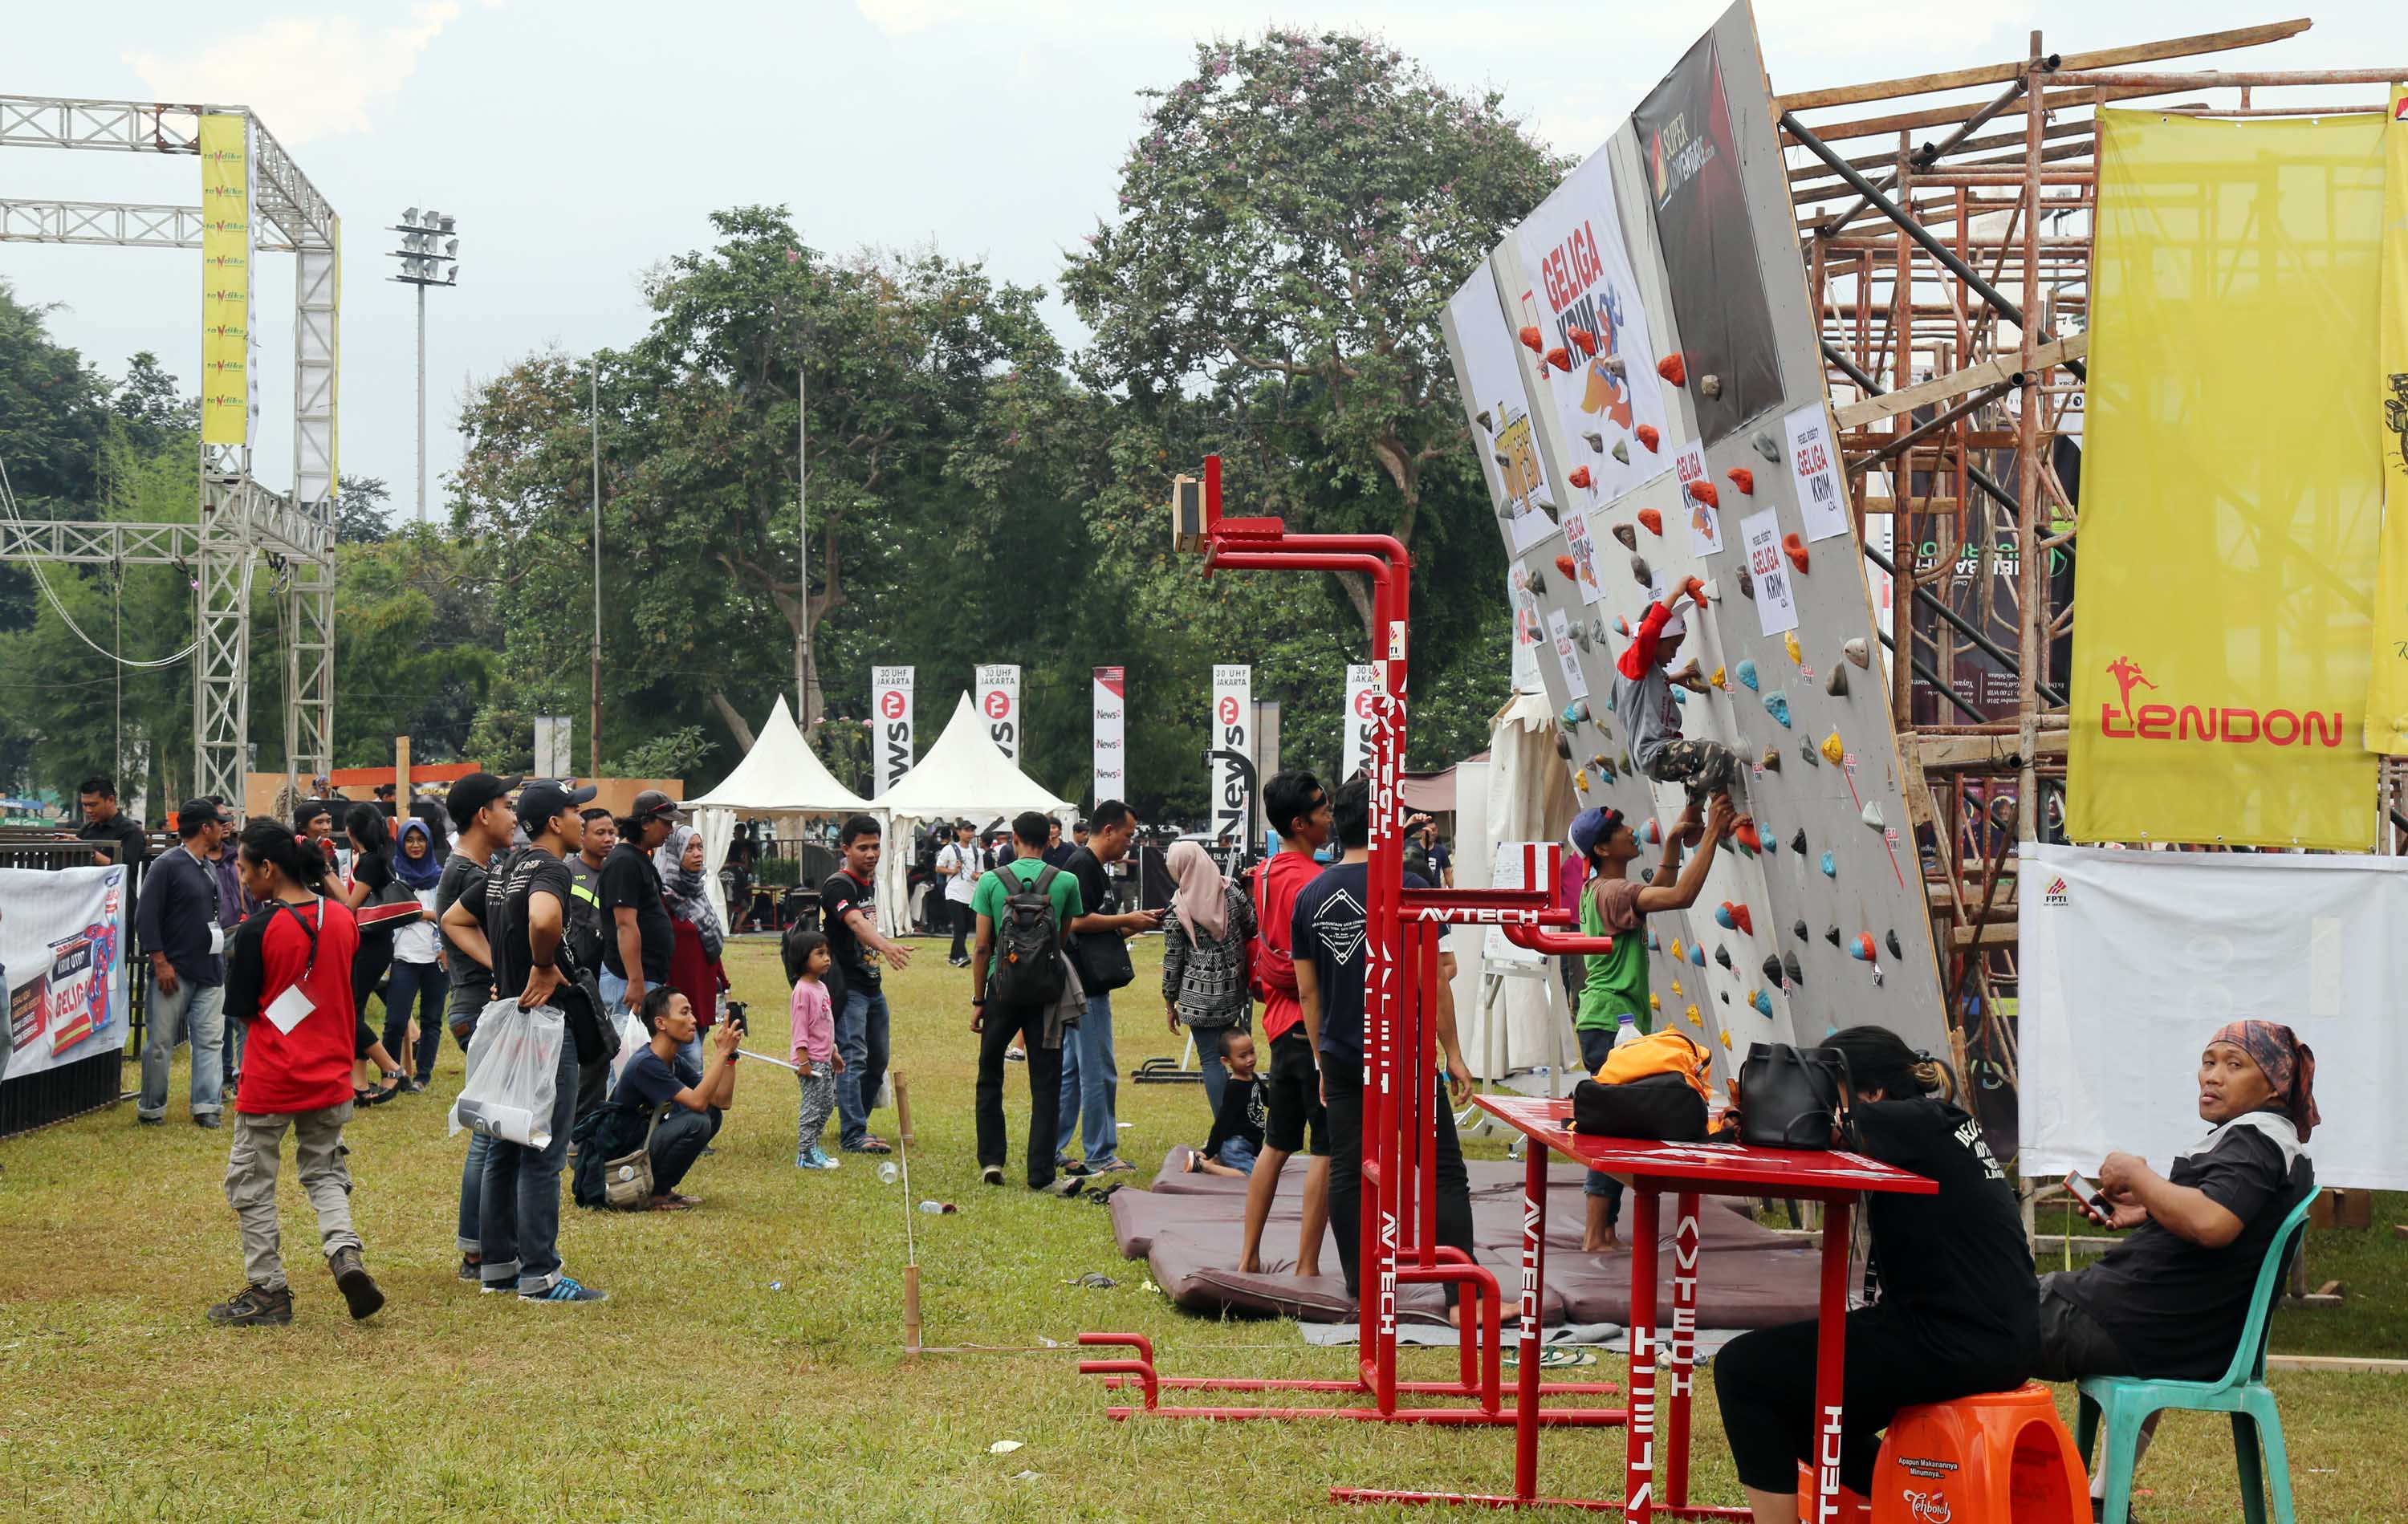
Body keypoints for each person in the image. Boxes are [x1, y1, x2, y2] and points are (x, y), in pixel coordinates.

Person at [1714, 1026, 2036, 1524]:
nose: (1819, 1106)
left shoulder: (1913, 1120)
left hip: (1952, 1336)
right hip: (1986, 1332)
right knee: (1798, 1407)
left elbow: (1813, 1129)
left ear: (1872, 1095)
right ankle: (1924, 1497)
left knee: (1743, 1371)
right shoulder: (1937, 1123)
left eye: (1829, 1092)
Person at [2034, 1022, 2319, 1519]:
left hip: (2126, 1325)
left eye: (2235, 1064)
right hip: (2156, 1328)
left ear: (2275, 1083)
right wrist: (2146, 1206)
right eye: (2209, 1062)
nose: (2213, 1076)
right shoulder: (2263, 1143)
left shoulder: (2257, 1141)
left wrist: (2138, 1174)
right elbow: (2220, 1211)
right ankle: (2101, 1500)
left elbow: (2212, 1222)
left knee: (1970, 1322)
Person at [1298, 773, 1478, 1303]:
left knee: (1349, 1168)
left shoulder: (1311, 895)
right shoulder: (1411, 886)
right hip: (1404, 1050)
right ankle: (1460, 1296)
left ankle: (1362, 1285)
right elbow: (1437, 975)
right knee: (1442, 1169)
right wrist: (1454, 1053)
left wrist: (1320, 1061)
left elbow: (1310, 995)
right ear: (1386, 825)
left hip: (1341, 1051)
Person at [209, 819, 384, 1326]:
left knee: (253, 1183)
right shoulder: (343, 919)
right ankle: (344, 1253)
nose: (241, 877)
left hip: (271, 1077)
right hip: (330, 1074)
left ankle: (268, 1291)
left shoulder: (259, 929)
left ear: (268, 867)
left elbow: (242, 1007)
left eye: (243, 867)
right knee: (325, 1172)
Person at [1566, 795, 1733, 1251]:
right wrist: (1713, 833)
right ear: (1603, 850)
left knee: (1617, 1121)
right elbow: (1679, 896)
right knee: (1617, 1125)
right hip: (1609, 1022)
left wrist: (1675, 844)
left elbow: (1658, 889)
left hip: (1605, 1020)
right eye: (1620, 828)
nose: (1630, 831)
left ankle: (1600, 1232)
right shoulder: (1614, 891)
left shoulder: (1599, 890)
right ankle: (1594, 1235)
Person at [478, 778, 608, 1303]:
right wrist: (543, 963)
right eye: (577, 811)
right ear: (556, 821)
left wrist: (505, 969)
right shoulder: (551, 868)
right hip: (545, 1024)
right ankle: (540, 1274)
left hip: (509, 1017)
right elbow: (545, 917)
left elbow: (458, 917)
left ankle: (498, 1267)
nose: (583, 819)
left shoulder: (502, 868)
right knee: (543, 1150)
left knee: (504, 1146)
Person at [1238, 770, 1335, 1278]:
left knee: (1276, 1144)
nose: (1329, 815)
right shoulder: (1314, 881)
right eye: (1322, 808)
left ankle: (1249, 1255)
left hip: (1278, 1021)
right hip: (1310, 1022)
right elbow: (1318, 970)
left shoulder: (1268, 873)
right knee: (1324, 1146)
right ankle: (1306, 1265)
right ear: (1300, 823)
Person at [970, 810, 1086, 1195]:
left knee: (990, 1074)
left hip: (1001, 990)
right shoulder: (1065, 881)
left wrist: (978, 997)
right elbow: (1063, 939)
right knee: (1047, 1082)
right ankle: (1040, 1173)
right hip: (1046, 996)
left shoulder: (990, 880)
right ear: (1051, 838)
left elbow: (983, 945)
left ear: (1015, 837)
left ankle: (991, 1159)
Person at [435, 771, 518, 1285]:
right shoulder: (468, 874)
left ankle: (485, 1245)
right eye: (506, 805)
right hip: (478, 1013)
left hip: (480, 1010)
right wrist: (501, 970)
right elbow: (455, 928)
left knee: (495, 1130)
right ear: (482, 815)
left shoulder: (478, 866)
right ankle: (475, 1252)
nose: (514, 816)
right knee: (488, 1135)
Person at [1056, 800, 1161, 1179]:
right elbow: (1076, 922)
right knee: (1099, 1070)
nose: (1129, 844)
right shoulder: (1083, 865)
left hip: (1082, 981)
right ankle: (1100, 1153)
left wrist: (1139, 924)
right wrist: (1126, 918)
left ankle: (1054, 1146)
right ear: (1108, 831)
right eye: (1128, 835)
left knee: (1072, 1070)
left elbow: (1102, 929)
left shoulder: (1093, 868)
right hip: (1084, 986)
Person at [135, 798, 230, 1127]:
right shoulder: (167, 865)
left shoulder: (209, 866)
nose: (224, 829)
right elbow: (145, 917)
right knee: (160, 1043)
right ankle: (152, 1108)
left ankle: (207, 1106)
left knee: (209, 1041)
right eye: (219, 823)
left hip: (210, 970)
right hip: (173, 970)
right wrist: (160, 961)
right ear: (205, 828)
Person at [822, 814, 913, 1155]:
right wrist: (887, 946)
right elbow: (856, 922)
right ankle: (853, 1133)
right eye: (863, 848)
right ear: (846, 848)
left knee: (878, 1060)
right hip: (850, 989)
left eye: (876, 847)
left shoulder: (868, 884)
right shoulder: (838, 886)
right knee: (853, 1059)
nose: (871, 854)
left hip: (873, 986)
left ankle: (855, 1119)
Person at [608, 986, 738, 1209]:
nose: (694, 1020)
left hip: (642, 1147)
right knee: (697, 1122)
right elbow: (697, 1102)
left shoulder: (673, 1061)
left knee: (711, 1115)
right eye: (685, 1013)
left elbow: (721, 1101)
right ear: (661, 1023)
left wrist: (730, 1057)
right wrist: (721, 1052)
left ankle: (662, 1190)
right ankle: (655, 1194)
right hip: (621, 1160)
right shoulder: (646, 1064)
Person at [1159, 838, 1257, 1116]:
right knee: (1238, 1056)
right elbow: (1252, 926)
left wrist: (1169, 1001)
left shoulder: (1177, 908)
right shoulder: (1231, 892)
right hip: (1232, 992)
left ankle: (1225, 1128)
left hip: (1196, 998)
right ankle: (1242, 1121)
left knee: (1211, 1059)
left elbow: (1173, 960)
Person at [1614, 598, 1739, 807]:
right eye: (1672, 648)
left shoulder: (1648, 672)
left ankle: (1700, 821)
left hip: (1656, 753)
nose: (1674, 656)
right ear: (1654, 641)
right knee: (1715, 754)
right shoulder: (1634, 662)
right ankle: (1695, 813)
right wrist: (1679, 590)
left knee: (1707, 761)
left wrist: (1673, 679)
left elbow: (1645, 692)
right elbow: (1648, 633)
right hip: (1654, 752)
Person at [379, 816, 449, 1090]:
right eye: (409, 840)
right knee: (395, 1021)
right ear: (401, 843)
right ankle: (391, 1075)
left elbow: (448, 914)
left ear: (429, 843)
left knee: (432, 1020)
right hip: (403, 958)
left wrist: (422, 913)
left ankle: (423, 1077)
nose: (416, 845)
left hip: (436, 958)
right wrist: (424, 914)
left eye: (421, 840)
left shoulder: (441, 876)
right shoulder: (393, 876)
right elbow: (389, 914)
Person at [601, 789, 680, 1027]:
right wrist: (636, 980)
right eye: (666, 823)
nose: (670, 830)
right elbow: (625, 925)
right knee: (627, 1056)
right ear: (646, 823)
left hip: (645, 978)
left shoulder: (639, 858)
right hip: (627, 980)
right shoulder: (624, 862)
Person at [657, 823, 729, 1068]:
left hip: (702, 989)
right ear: (674, 853)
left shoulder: (698, 891)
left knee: (690, 1062)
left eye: (700, 847)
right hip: (676, 991)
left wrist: (724, 983)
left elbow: (709, 941)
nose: (698, 854)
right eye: (689, 849)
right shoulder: (664, 897)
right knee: (691, 1064)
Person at [205, 806, 256, 1094]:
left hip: (243, 939)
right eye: (219, 819)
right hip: (210, 943)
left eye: (228, 819)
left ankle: (242, 1075)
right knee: (217, 1015)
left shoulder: (238, 856)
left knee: (242, 1014)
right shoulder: (194, 861)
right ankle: (223, 1073)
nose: (225, 824)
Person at [784, 928, 842, 1170]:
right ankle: (805, 1153)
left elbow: (825, 1024)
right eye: (819, 953)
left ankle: (814, 1148)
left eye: (827, 953)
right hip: (810, 1061)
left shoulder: (821, 987)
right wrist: (803, 1060)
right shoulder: (802, 992)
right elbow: (800, 1029)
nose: (827, 958)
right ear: (802, 958)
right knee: (812, 1107)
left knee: (828, 1104)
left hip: (824, 1059)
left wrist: (834, 1052)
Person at [1183, 1029, 1265, 1177]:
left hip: (1246, 1145)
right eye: (1243, 1056)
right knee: (1253, 1176)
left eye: (1252, 1052)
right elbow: (1222, 1123)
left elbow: (1269, 1099)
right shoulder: (1234, 1088)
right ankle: (1204, 1165)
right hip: (1236, 1145)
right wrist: (1208, 1151)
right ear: (1226, 1061)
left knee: (1263, 1171)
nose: (1250, 1059)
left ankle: (1218, 1160)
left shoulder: (1253, 1078)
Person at [77, 774, 149, 872]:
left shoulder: (130, 831)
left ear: (111, 800)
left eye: (93, 805)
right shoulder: (86, 830)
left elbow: (124, 871)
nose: (88, 810)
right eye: (85, 805)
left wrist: (87, 852)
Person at [936, 819, 982, 967]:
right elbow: (938, 868)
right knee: (959, 925)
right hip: (954, 892)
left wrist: (977, 876)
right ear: (959, 832)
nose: (970, 834)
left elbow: (980, 871)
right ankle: (961, 956)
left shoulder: (977, 851)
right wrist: (952, 871)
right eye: (967, 830)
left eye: (972, 831)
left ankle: (954, 957)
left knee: (966, 927)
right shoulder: (950, 849)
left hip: (970, 893)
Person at [1400, 815, 1453, 888]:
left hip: (1434, 893)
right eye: (1428, 830)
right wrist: (1407, 829)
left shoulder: (1441, 850)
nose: (1431, 833)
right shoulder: (1411, 849)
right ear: (1422, 831)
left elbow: (1448, 873)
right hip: (1415, 891)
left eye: (1434, 830)